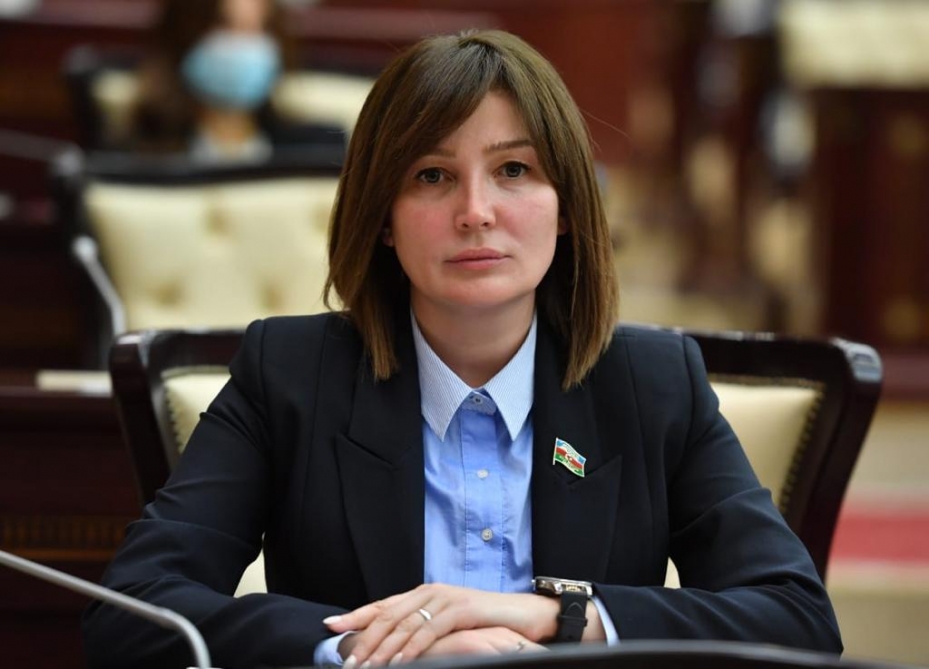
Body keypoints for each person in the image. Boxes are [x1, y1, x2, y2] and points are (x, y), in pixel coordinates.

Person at [82, 29, 842, 669]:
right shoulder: (288, 373)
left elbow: (796, 618)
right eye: (432, 175)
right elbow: (132, 612)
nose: (476, 211)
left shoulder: (651, 383)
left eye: (513, 170)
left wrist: (555, 616)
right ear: (383, 217)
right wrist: (372, 646)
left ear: (567, 207)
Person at [125, 0, 344, 162]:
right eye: (226, 25)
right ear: (185, 34)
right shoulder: (137, 154)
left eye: (259, 28)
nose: (244, 45)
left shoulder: (319, 152)